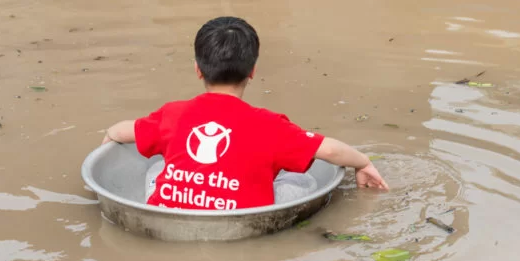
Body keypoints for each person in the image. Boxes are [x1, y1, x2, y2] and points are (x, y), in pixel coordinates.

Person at [102, 17, 389, 210]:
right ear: (252, 71)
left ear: (197, 69)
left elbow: (121, 131)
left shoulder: (172, 114)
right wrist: (363, 163)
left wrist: (108, 137)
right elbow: (330, 151)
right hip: (241, 214)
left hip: (174, 210)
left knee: (155, 166)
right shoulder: (270, 125)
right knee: (304, 179)